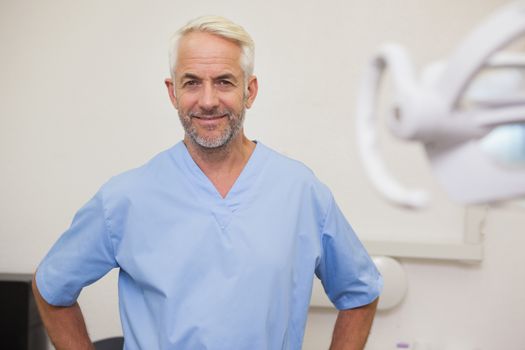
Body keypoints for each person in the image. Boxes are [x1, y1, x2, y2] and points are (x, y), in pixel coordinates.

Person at [32, 15, 382, 350]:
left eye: (225, 81)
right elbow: (51, 288)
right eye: (192, 83)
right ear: (173, 93)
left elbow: (360, 293)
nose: (209, 100)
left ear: (250, 90)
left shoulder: (300, 192)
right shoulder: (126, 198)